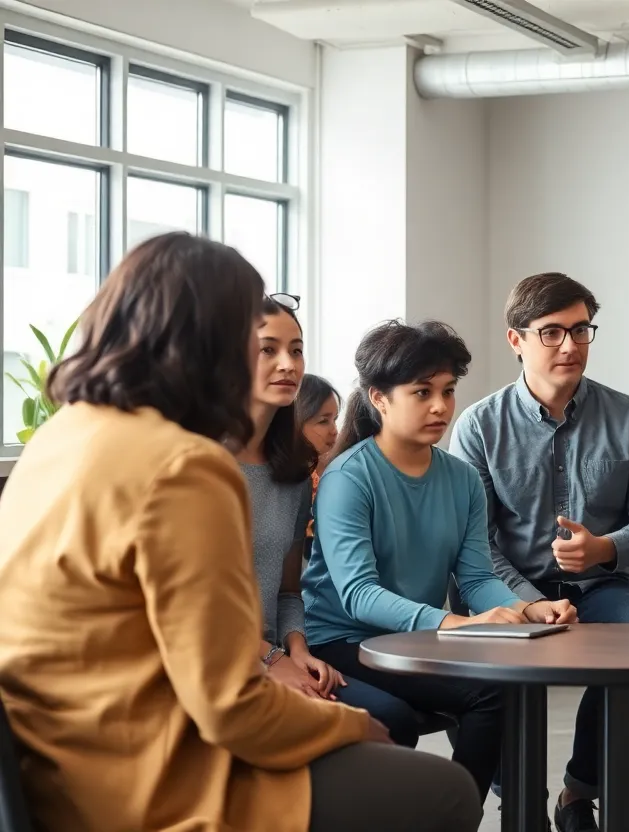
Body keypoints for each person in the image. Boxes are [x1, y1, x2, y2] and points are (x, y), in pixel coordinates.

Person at [0, 233, 480, 832]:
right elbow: (228, 706)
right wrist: (352, 723)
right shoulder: (183, 466)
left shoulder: (58, 437)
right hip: (145, 776)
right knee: (445, 791)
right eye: (249, 338)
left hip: (47, 764)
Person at [302, 319, 576, 802]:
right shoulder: (350, 477)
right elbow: (358, 594)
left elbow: (475, 577)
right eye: (422, 392)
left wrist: (526, 607)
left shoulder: (462, 479)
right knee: (394, 717)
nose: (440, 406)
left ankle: (456, 816)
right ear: (379, 399)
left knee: (499, 691)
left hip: (415, 641)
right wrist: (456, 625)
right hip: (342, 641)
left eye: (448, 391)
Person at [450, 271, 629, 832]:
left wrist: (605, 548)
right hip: (506, 586)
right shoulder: (479, 425)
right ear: (516, 339)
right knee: (496, 676)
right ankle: (517, 798)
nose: (570, 346)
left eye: (581, 331)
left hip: (602, 587)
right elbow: (476, 543)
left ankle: (579, 792)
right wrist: (528, 603)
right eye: (551, 332)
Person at [236, 297, 418, 745]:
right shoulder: (200, 463)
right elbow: (194, 607)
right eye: (268, 349)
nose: (288, 364)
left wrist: (297, 650)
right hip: (221, 661)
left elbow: (287, 591)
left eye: (296, 350)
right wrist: (272, 659)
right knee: (379, 730)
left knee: (396, 720)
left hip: (280, 652)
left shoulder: (294, 474)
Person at [296, 372, 342, 542]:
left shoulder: (332, 470)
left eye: (335, 420)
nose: (334, 430)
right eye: (324, 421)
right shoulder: (290, 479)